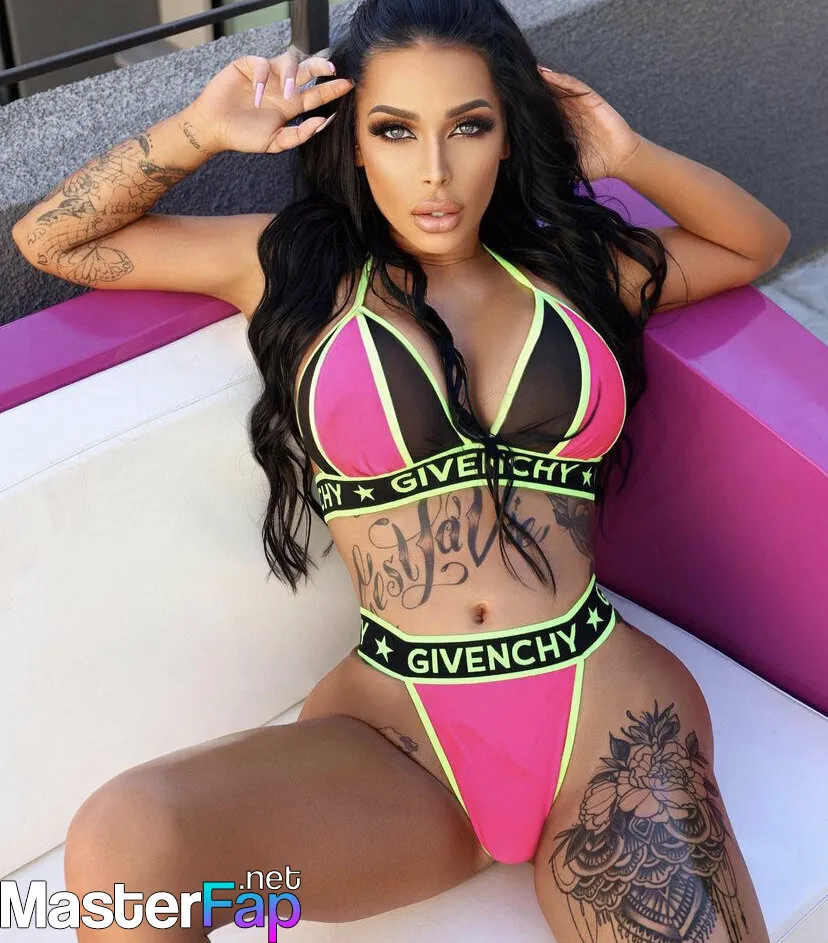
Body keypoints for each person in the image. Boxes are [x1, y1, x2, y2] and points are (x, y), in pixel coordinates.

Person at [12, 0, 790, 940]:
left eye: (468, 126)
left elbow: (755, 243)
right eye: (394, 130)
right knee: (129, 840)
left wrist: (625, 154)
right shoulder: (289, 269)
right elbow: (53, 241)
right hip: (402, 737)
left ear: (509, 132)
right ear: (353, 141)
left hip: (605, 719)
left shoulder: (579, 270)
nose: (434, 172)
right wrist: (201, 130)